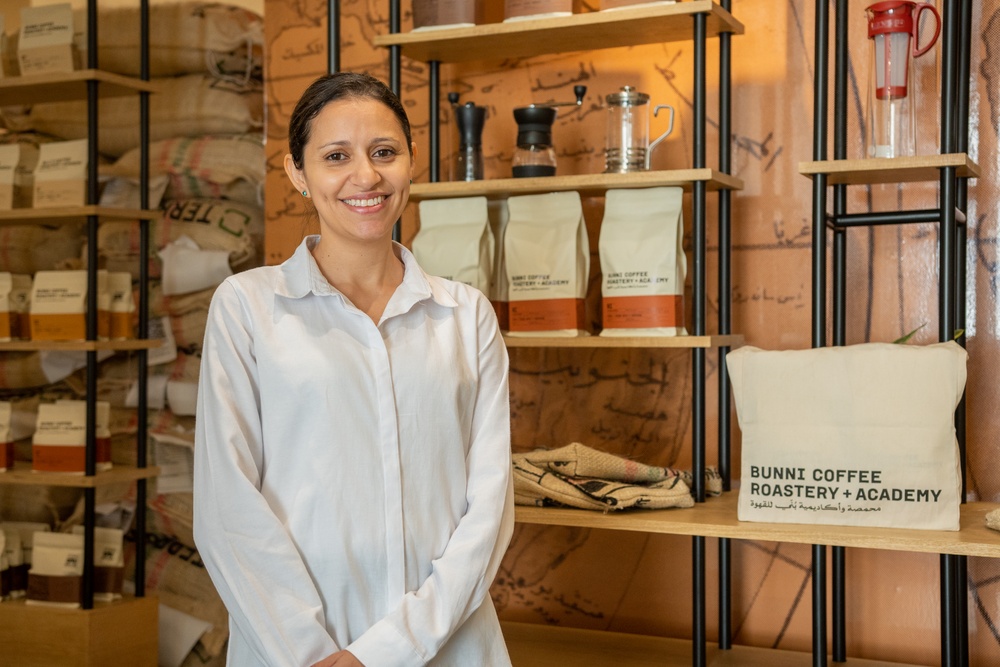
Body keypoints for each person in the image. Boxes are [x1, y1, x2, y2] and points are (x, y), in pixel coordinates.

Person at [193, 71, 515, 667]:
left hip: (451, 645)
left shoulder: (466, 317)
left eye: (384, 153)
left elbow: (489, 511)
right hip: (291, 650)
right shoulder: (247, 308)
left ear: (411, 162)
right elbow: (226, 509)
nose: (365, 177)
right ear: (297, 172)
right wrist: (314, 654)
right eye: (336, 156)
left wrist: (384, 653)